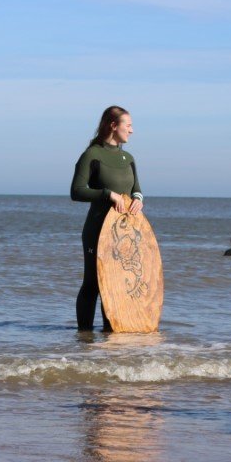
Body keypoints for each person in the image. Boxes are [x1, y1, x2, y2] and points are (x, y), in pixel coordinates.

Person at [70, 106, 143, 331]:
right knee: (94, 284)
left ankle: (111, 338)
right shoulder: (92, 155)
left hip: (125, 235)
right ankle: (84, 338)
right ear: (113, 125)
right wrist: (106, 194)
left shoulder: (128, 158)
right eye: (128, 125)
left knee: (117, 286)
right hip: (97, 231)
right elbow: (77, 191)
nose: (132, 130)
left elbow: (136, 189)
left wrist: (139, 199)